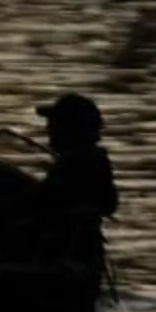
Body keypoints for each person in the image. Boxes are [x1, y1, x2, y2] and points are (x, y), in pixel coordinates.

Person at [32, 93, 119, 223]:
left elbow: (44, 201)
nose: (48, 128)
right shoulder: (91, 161)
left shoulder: (74, 165)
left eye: (55, 123)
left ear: (70, 129)